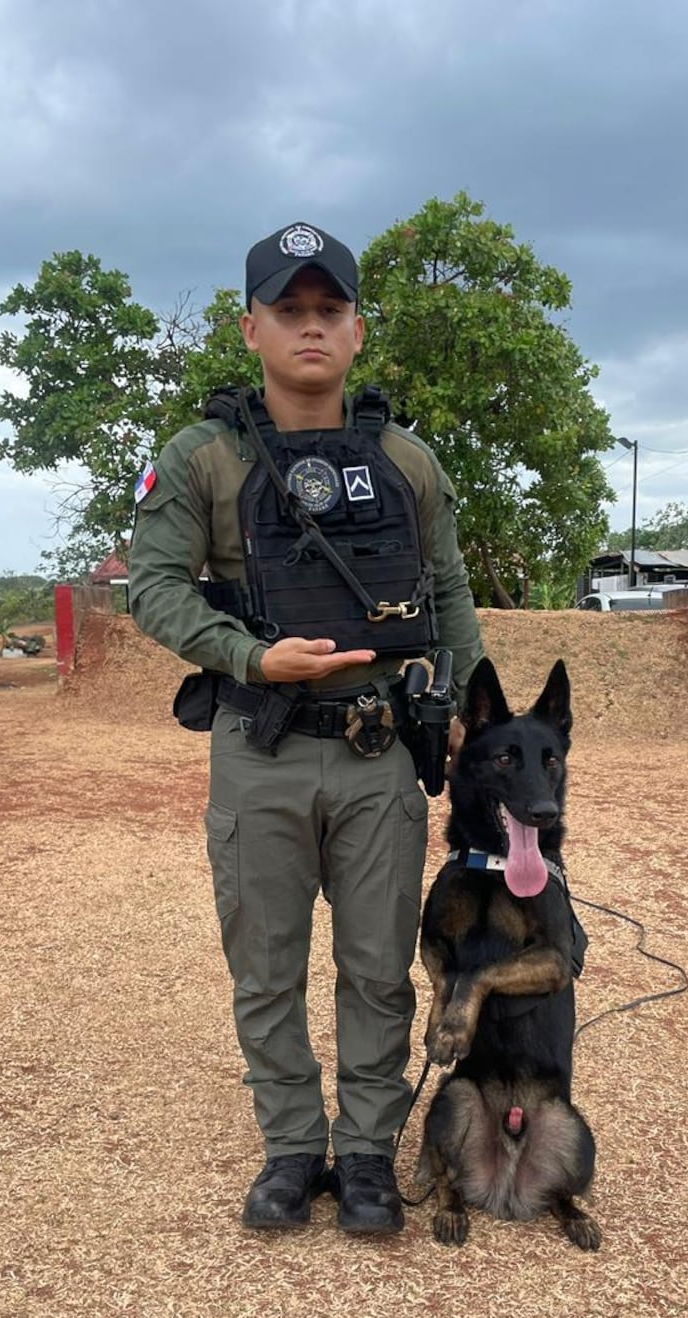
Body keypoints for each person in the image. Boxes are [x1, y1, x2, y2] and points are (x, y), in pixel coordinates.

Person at [129, 221, 483, 1236]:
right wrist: (247, 656)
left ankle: (366, 1152)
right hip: (261, 750)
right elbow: (151, 589)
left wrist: (456, 706)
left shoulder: (408, 460)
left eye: (330, 310)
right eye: (291, 310)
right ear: (253, 327)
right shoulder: (204, 457)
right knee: (268, 966)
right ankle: (292, 1147)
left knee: (376, 966)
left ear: (358, 330)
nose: (311, 328)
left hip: (379, 754)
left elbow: (449, 593)